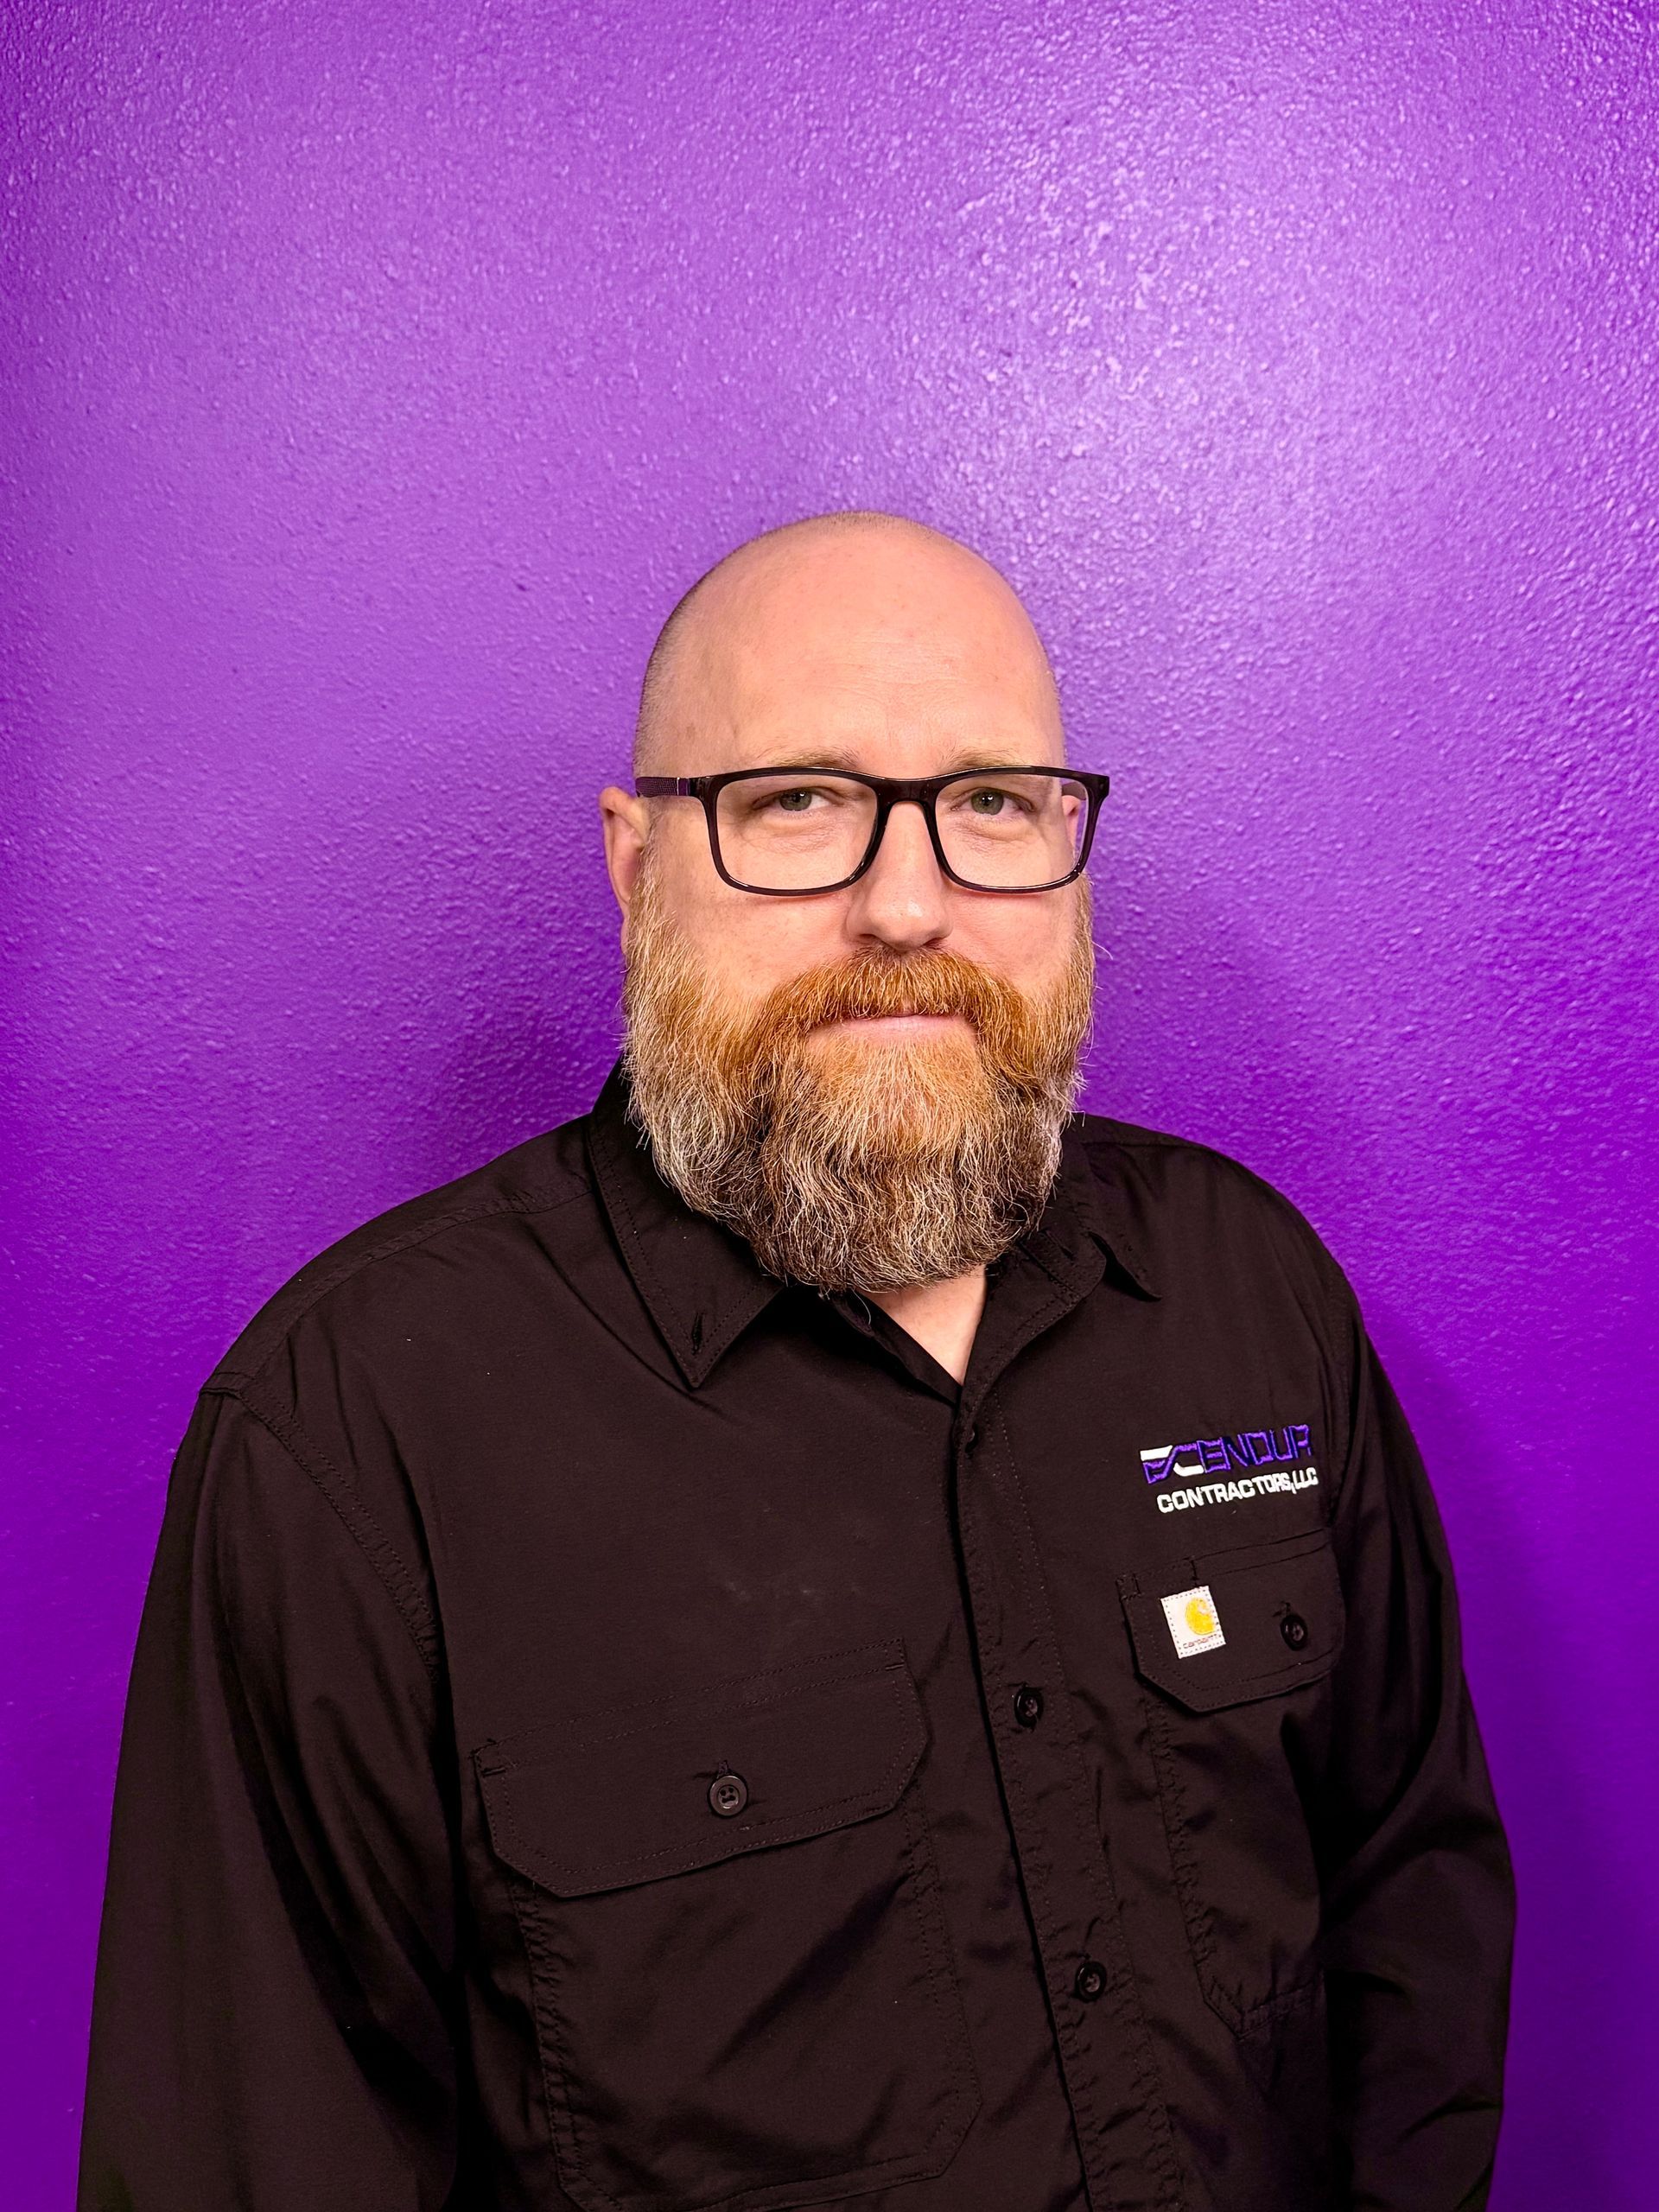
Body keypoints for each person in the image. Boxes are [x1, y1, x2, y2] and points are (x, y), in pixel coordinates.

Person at [79, 512, 1514, 2212]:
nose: (908, 902)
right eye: (798, 805)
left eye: (991, 803)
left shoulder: (1245, 1289)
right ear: (634, 862)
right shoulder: (353, 1440)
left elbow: (1411, 1905)